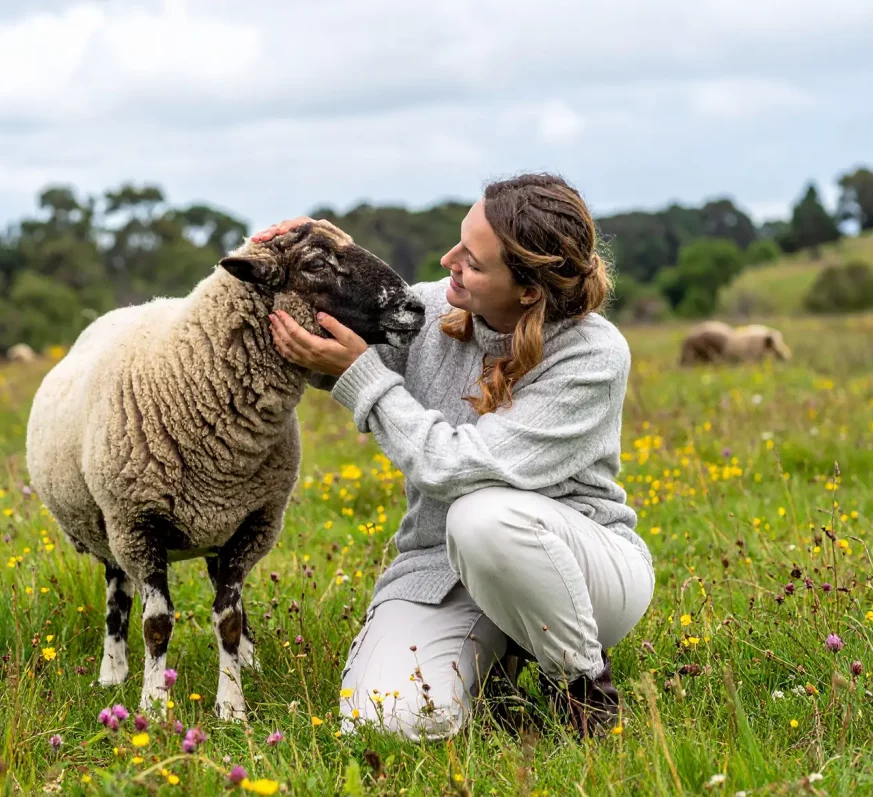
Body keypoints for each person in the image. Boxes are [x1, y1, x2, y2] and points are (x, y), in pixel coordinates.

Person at [252, 173, 655, 741]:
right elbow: (341, 329)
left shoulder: (592, 355)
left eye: (473, 260)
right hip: (441, 573)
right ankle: (493, 678)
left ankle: (581, 689)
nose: (448, 261)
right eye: (459, 240)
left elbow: (454, 468)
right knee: (387, 722)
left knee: (483, 516)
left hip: (581, 569)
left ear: (529, 292)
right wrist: (314, 253)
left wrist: (359, 376)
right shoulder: (434, 310)